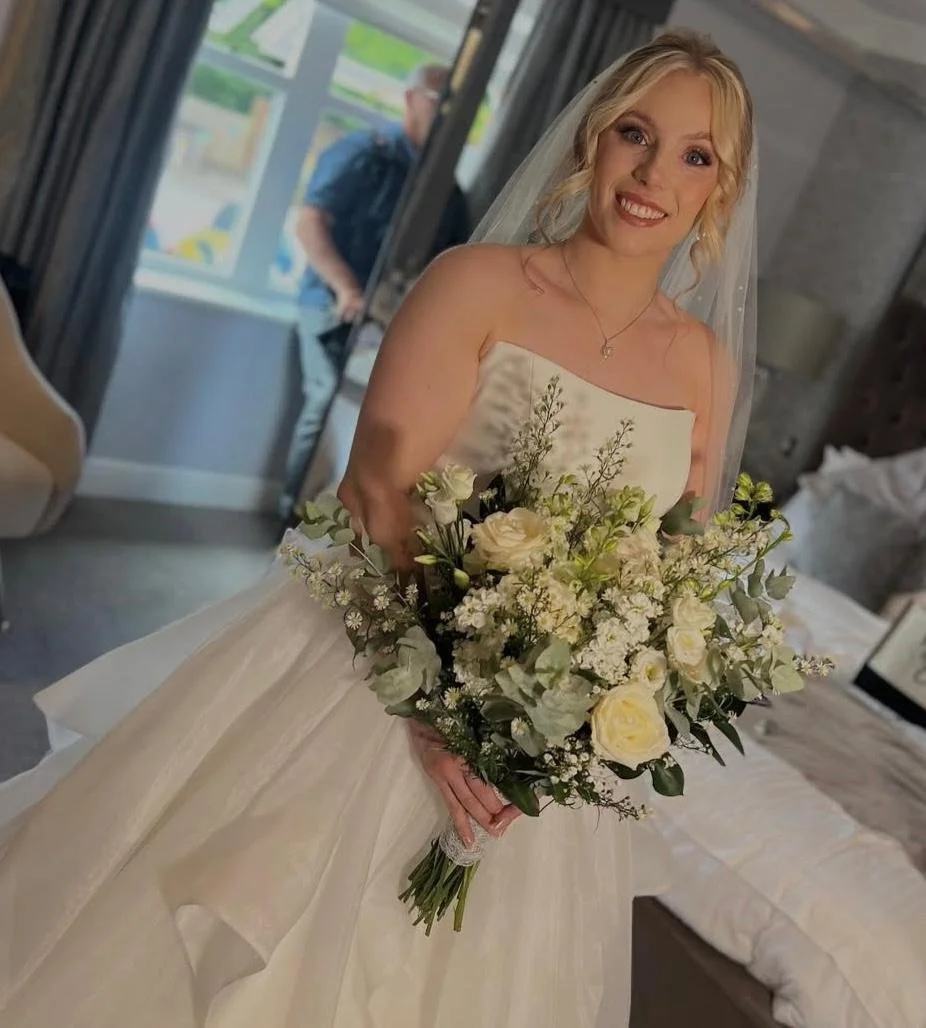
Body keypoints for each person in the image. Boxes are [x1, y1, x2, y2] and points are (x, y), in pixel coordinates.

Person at [0, 32, 756, 1027]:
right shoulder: (478, 283)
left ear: (719, 188)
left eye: (694, 154)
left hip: (525, 749)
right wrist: (437, 711)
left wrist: (554, 718)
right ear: (590, 141)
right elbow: (375, 490)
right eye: (633, 133)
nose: (654, 172)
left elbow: (659, 573)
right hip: (370, 669)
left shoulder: (705, 364)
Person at [279, 63, 471, 523]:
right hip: (334, 307)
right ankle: (293, 516)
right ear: (410, 100)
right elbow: (309, 222)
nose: (444, 114)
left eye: (455, 107)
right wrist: (346, 288)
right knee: (327, 402)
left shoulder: (449, 191)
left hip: (394, 324)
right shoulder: (363, 154)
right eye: (436, 100)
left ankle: (345, 524)